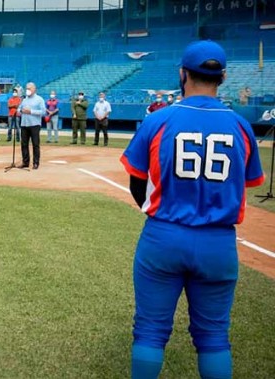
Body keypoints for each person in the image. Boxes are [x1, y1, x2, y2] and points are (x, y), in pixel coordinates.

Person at [121, 40, 265, 379]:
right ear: (224, 77)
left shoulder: (160, 120)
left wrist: (161, 212)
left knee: (150, 332)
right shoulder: (242, 126)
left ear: (183, 74)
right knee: (214, 337)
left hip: (164, 236)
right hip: (218, 243)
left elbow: (136, 183)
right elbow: (243, 184)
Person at [19, 82, 46, 169]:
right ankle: (25, 162)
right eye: (26, 88)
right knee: (24, 144)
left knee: (35, 144)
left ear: (34, 89)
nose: (27, 90)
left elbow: (43, 112)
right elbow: (19, 109)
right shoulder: (24, 100)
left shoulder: (39, 99)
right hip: (24, 124)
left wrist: (31, 111)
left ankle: (36, 163)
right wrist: (21, 110)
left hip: (34, 124)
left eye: (29, 88)